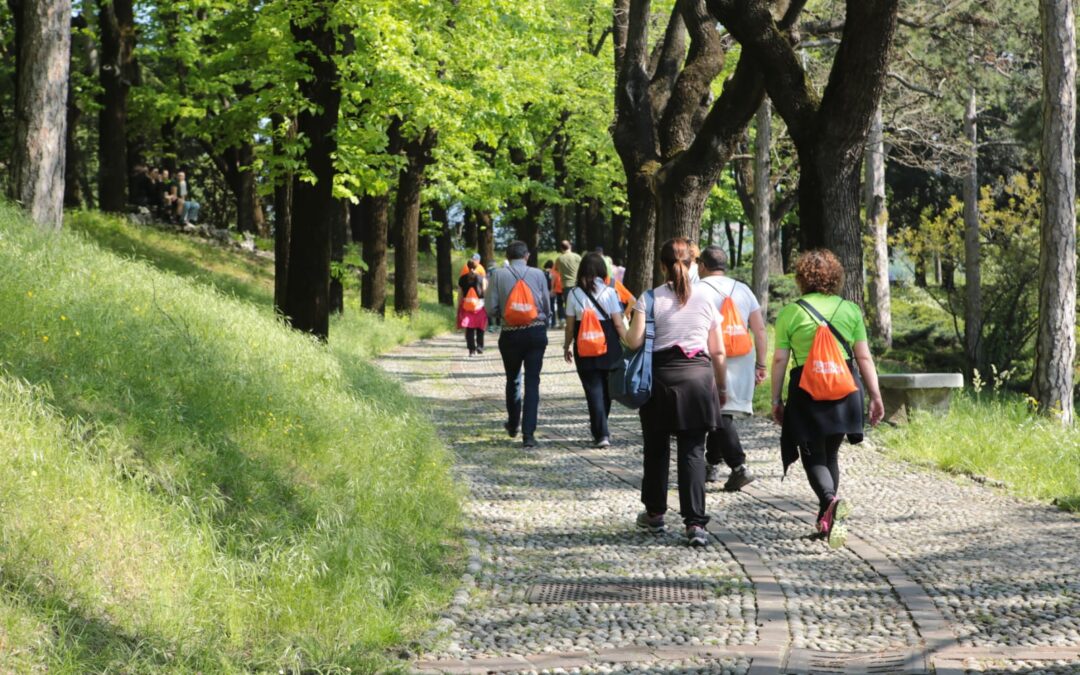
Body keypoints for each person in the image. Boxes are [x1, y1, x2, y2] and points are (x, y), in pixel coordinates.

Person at [770, 249, 885, 549]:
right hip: (844, 389)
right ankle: (827, 518)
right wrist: (875, 396)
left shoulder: (790, 313)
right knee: (830, 454)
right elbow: (864, 357)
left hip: (806, 390)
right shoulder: (850, 310)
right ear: (835, 278)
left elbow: (780, 360)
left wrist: (775, 399)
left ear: (801, 278)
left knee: (812, 455)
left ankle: (829, 501)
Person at [623, 238, 727, 547]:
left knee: (656, 449)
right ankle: (695, 524)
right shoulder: (707, 299)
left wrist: (620, 323)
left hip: (660, 381)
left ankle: (654, 513)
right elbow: (718, 351)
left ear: (662, 266)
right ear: (694, 264)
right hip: (698, 379)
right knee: (693, 452)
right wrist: (721, 387)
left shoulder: (649, 299)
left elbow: (634, 341)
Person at [697, 246, 767, 491]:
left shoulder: (697, 289)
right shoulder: (744, 289)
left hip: (709, 356)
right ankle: (712, 464)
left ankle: (739, 467)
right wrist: (761, 363)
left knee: (720, 413)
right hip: (742, 356)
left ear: (703, 265)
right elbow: (759, 330)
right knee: (721, 411)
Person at [485, 241, 551, 448]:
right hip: (535, 332)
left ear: (507, 255)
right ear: (527, 255)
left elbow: (490, 307)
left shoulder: (497, 275)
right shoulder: (539, 274)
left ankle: (513, 424)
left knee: (513, 379)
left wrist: (505, 315)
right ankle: (528, 434)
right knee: (533, 382)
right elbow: (546, 305)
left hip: (510, 334)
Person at [562, 252, 627, 448]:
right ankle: (601, 431)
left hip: (585, 344)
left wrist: (567, 346)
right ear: (601, 270)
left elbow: (570, 326)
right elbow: (618, 324)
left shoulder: (573, 294)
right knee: (606, 391)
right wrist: (630, 342)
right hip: (609, 344)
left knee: (593, 390)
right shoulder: (609, 292)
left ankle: (601, 433)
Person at [457, 260, 488, 356]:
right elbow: (485, 292)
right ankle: (480, 346)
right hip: (480, 305)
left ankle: (471, 350)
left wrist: (459, 306)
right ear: (477, 267)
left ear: (467, 266)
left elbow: (460, 295)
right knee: (480, 328)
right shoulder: (482, 279)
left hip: (467, 306)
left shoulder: (462, 279)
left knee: (469, 329)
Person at [554, 240, 582, 319]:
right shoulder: (577, 257)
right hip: (577, 284)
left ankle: (570, 324)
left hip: (566, 285)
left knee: (569, 306)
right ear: (570, 246)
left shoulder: (559, 259)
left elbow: (556, 270)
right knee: (579, 304)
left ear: (561, 248)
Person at [543, 260, 559, 329]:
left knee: (545, 307)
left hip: (544, 292)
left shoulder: (543, 272)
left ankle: (546, 322)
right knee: (552, 306)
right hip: (552, 291)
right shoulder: (553, 272)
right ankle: (553, 323)